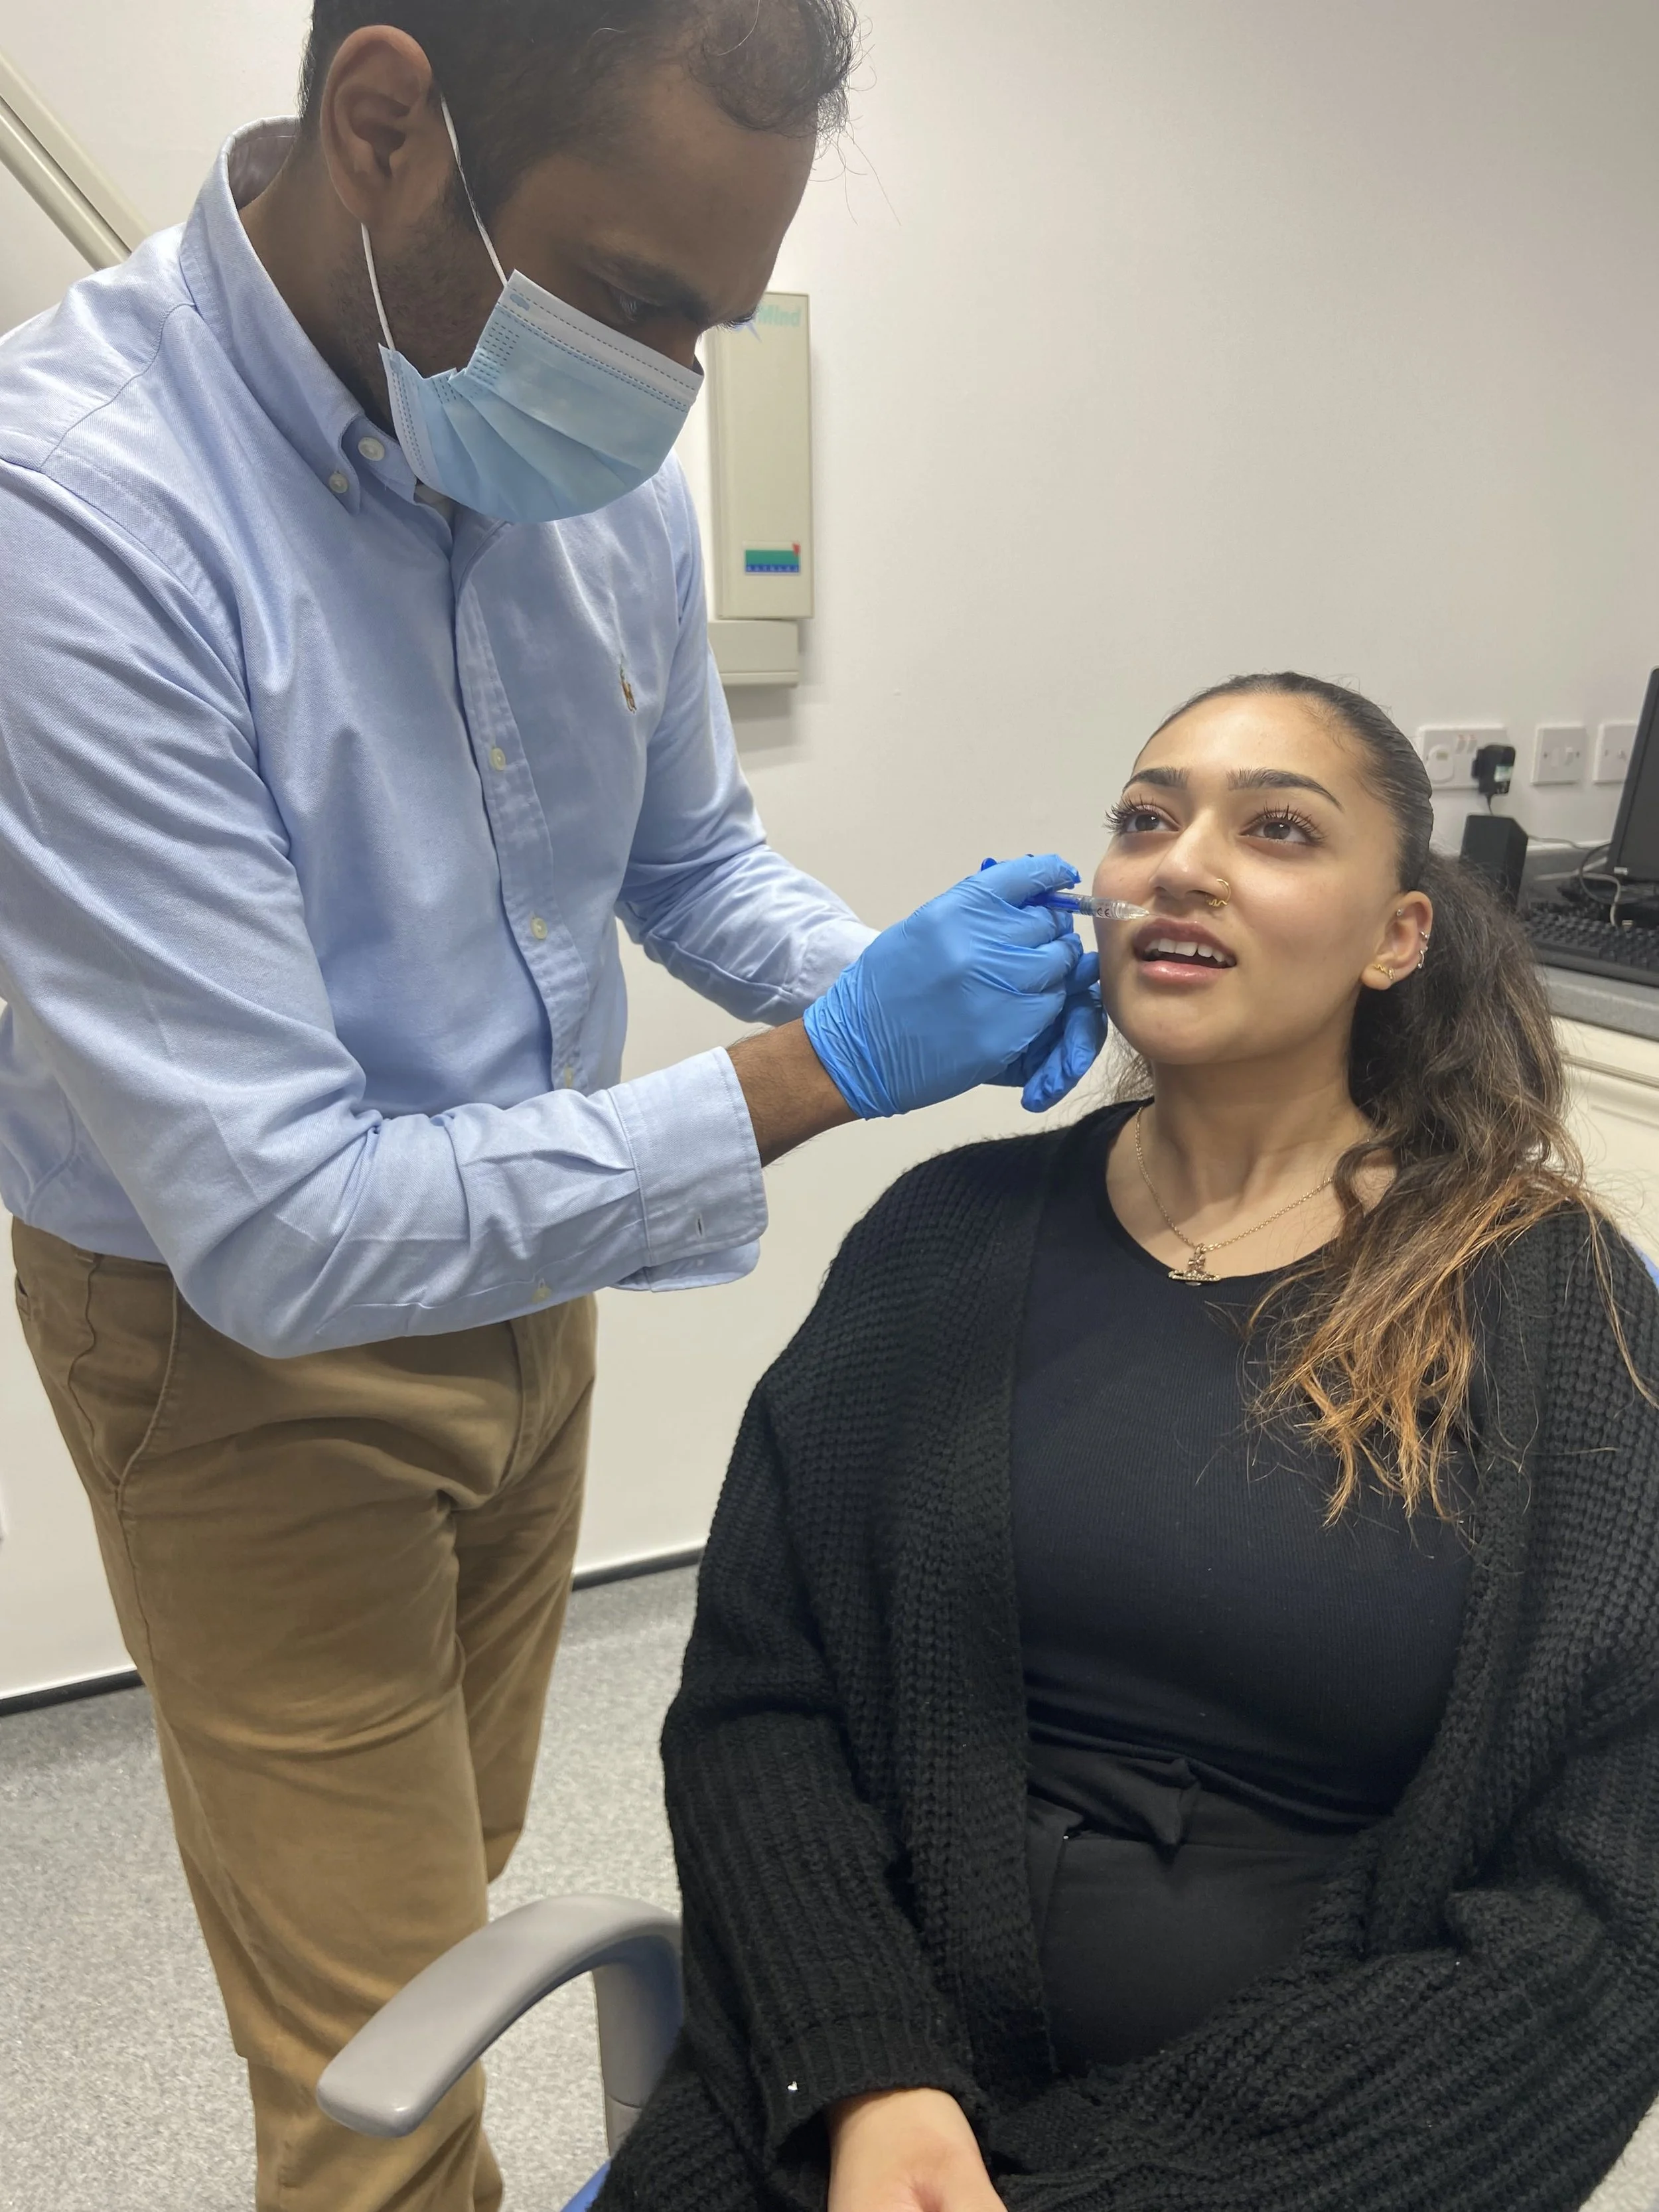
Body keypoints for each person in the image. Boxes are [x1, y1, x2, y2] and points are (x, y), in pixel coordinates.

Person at [0, 5, 1104, 2207]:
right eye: (625, 299)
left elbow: (686, 857)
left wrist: (880, 978)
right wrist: (819, 1073)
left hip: (539, 1274)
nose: (664, 388)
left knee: (460, 1883)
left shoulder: (586, 468)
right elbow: (288, 1222)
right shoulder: (78, 525)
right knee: (383, 2074)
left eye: (714, 320)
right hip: (239, 1350)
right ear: (385, 124)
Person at [601, 673, 1659, 2212]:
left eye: (1277, 827)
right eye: (1143, 819)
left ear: (1395, 935)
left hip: (1320, 2148)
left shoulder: (1547, 1300)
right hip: (843, 2104)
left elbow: (1609, 1892)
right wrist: (863, 2076)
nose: (1179, 861)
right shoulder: (939, 1242)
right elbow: (759, 1704)